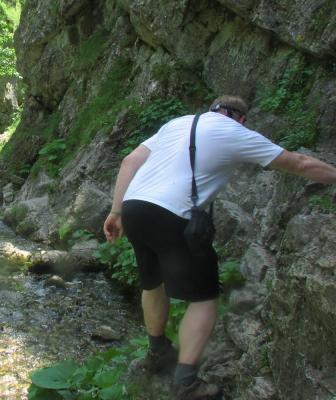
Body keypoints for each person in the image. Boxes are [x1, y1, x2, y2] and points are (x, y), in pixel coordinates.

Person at [103, 95, 336, 400]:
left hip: (134, 207)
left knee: (153, 283)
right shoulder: (234, 132)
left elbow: (129, 161)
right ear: (241, 119)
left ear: (212, 109)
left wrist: (116, 211)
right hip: (173, 214)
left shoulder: (177, 123)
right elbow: (299, 163)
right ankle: (186, 384)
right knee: (204, 299)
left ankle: (157, 350)